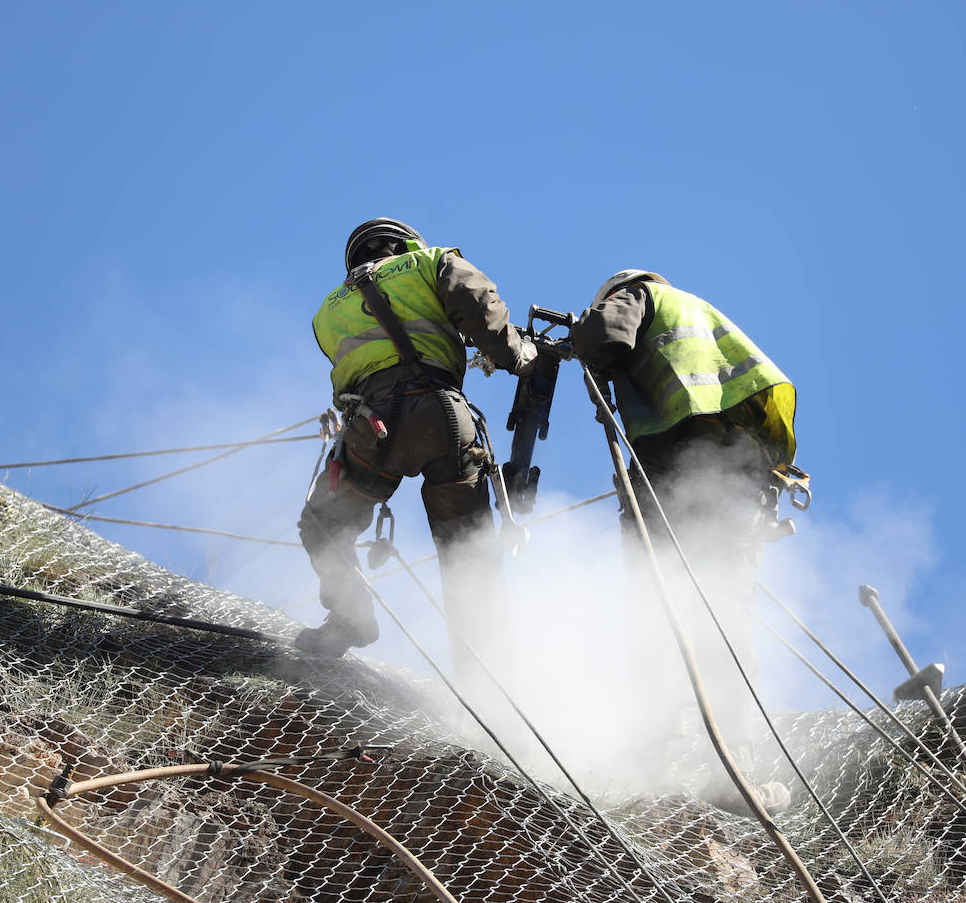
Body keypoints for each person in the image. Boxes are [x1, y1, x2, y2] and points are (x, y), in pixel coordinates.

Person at [570, 268, 799, 813]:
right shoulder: (701, 313)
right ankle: (735, 765)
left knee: (659, 602)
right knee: (724, 610)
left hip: (681, 461)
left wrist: (574, 344)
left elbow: (606, 338)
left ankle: (650, 755)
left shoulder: (638, 295)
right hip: (743, 475)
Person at [296, 218, 534, 661]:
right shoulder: (431, 262)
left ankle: (349, 615)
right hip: (442, 416)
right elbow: (478, 303)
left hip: (372, 428)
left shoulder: (326, 310)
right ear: (405, 244)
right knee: (467, 552)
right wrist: (515, 354)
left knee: (323, 523)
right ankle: (487, 675)